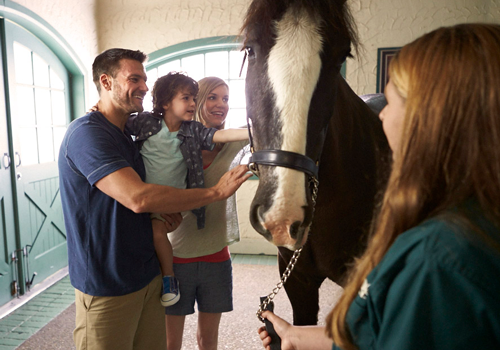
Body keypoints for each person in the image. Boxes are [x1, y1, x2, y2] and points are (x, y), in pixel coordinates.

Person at [258, 23, 500, 350]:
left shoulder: (436, 256)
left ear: (432, 118)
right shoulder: (473, 217)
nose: (381, 116)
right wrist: (295, 335)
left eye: (392, 101)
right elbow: (382, 332)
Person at [58, 49, 250, 350]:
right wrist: (215, 193)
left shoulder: (128, 135)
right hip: (109, 283)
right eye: (134, 78)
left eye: (145, 80)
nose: (144, 87)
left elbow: (147, 198)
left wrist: (166, 211)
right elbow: (138, 197)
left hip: (148, 275)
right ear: (106, 82)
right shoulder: (88, 134)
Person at [126, 72, 248, 308]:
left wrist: (254, 131)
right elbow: (119, 122)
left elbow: (222, 134)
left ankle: (167, 278)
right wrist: (98, 112)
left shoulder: (193, 132)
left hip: (189, 216)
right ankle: (168, 278)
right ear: (166, 103)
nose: (192, 103)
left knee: (158, 231)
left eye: (226, 99)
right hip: (155, 209)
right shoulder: (147, 122)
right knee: (155, 234)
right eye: (188, 98)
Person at [164, 77, 249, 350]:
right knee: (170, 342)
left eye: (225, 99)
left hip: (216, 256)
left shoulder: (234, 142)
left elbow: (268, 132)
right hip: (175, 258)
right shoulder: (173, 142)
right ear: (196, 101)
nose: (220, 104)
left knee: (208, 340)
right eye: (212, 97)